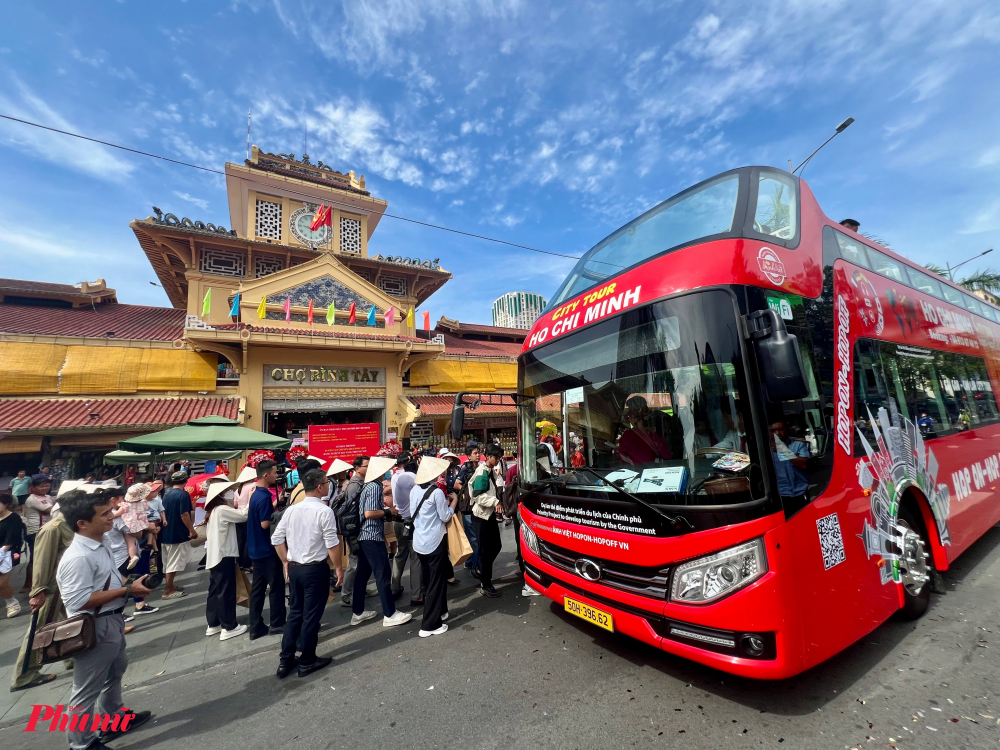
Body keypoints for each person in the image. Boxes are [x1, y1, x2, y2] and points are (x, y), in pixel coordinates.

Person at [56, 490, 153, 749]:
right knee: (86, 689)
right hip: (93, 626)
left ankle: (114, 718)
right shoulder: (79, 556)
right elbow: (77, 601)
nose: (112, 516)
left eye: (110, 511)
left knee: (115, 672)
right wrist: (127, 591)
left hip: (111, 620)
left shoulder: (101, 544)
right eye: (105, 514)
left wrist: (130, 585)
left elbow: (107, 580)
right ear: (82, 523)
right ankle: (82, 744)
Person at [272, 469, 344, 679]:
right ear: (320, 486)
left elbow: (277, 538)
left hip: (295, 567)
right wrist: (338, 567)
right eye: (326, 482)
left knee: (295, 613)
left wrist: (286, 560)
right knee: (311, 617)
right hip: (314, 568)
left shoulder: (292, 509)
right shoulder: (323, 511)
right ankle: (307, 660)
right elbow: (332, 543)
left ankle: (285, 660)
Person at [10, 496, 75, 692]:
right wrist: (38, 590)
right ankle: (24, 675)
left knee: (67, 623)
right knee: (39, 630)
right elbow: (41, 562)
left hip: (64, 586)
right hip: (50, 587)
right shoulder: (54, 527)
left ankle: (72, 656)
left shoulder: (68, 523)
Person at [350, 455, 412, 628]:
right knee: (383, 574)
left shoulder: (367, 485)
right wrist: (387, 511)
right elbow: (369, 513)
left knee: (362, 575)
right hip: (372, 535)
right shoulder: (375, 486)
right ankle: (390, 614)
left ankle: (358, 612)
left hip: (363, 535)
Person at [409, 456, 457, 637]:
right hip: (435, 542)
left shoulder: (414, 490)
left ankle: (441, 611)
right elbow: (445, 516)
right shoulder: (435, 492)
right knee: (436, 583)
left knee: (430, 580)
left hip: (419, 541)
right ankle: (430, 625)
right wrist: (453, 503)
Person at [203, 482, 248, 641]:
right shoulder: (222, 510)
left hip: (215, 556)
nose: (230, 493)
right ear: (220, 495)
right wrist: (250, 499)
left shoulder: (213, 511)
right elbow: (243, 515)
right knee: (225, 592)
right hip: (224, 555)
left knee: (215, 591)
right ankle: (229, 626)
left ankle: (214, 623)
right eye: (227, 491)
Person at [247, 460, 286, 640]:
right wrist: (279, 518)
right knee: (276, 587)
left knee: (258, 589)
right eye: (275, 472)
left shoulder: (256, 494)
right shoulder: (262, 497)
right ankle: (277, 623)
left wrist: (275, 504)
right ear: (265, 475)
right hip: (267, 550)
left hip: (256, 549)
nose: (276, 475)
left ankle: (255, 626)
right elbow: (264, 524)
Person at [338, 456, 376, 609]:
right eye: (366, 466)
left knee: (362, 563)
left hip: (358, 528)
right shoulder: (354, 485)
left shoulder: (360, 483)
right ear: (357, 468)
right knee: (354, 564)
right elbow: (351, 512)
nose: (369, 468)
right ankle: (346, 596)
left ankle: (359, 589)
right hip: (354, 530)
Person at [469, 443, 505, 598]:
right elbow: (477, 495)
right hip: (481, 517)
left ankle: (481, 569)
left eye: (499, 457)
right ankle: (486, 583)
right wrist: (495, 502)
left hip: (488, 515)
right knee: (486, 549)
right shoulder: (482, 472)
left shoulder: (490, 471)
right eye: (496, 457)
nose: (498, 460)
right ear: (488, 457)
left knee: (495, 546)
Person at [159, 471, 197, 599]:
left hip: (165, 532)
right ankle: (168, 590)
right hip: (177, 533)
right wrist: (191, 530)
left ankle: (170, 586)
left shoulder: (167, 494)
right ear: (186, 481)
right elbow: (184, 514)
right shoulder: (183, 495)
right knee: (173, 564)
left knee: (167, 562)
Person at [390, 454, 418, 598]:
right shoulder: (411, 477)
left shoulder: (395, 477)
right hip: (410, 520)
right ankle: (416, 592)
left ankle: (394, 586)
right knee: (414, 556)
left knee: (400, 553)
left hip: (398, 518)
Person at [22, 475, 54, 593]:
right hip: (36, 531)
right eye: (42, 485)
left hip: (45, 530)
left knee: (40, 557)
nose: (45, 487)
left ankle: (31, 583)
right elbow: (50, 510)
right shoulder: (33, 499)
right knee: (36, 558)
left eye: (47, 485)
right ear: (34, 487)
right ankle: (31, 584)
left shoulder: (48, 497)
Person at [456, 443, 482, 576]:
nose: (478, 455)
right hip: (468, 507)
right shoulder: (465, 469)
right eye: (475, 453)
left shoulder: (481, 467)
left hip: (478, 506)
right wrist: (468, 493)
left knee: (475, 537)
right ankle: (476, 565)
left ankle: (471, 561)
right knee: (474, 538)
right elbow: (457, 484)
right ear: (468, 456)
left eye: (478, 453)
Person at [769, 421, 810, 500]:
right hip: (779, 495)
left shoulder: (798, 444)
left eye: (781, 429)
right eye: (772, 431)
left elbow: (803, 464)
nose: (777, 433)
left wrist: (784, 450)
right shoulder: (764, 450)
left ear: (786, 430)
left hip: (800, 492)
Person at [0, 494, 25, 617]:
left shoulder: (13, 518)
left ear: (5, 504)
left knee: (1, 582)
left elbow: (11, 539)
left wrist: (1, 552)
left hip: (8, 553)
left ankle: (12, 603)